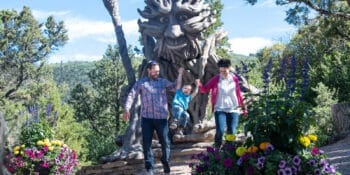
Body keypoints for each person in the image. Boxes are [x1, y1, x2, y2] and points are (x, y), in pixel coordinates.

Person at [122, 60, 181, 175]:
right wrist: (126, 109)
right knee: (147, 144)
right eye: (155, 71)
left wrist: (180, 74)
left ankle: (165, 161)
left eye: (158, 71)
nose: (157, 73)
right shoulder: (142, 83)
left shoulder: (162, 82)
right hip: (147, 119)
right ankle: (149, 168)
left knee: (165, 142)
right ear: (149, 70)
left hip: (161, 119)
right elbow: (132, 94)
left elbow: (175, 87)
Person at [197, 59, 247, 148]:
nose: (222, 73)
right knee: (220, 130)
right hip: (220, 108)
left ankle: (229, 151)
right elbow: (205, 89)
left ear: (229, 68)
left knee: (231, 131)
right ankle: (216, 150)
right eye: (221, 71)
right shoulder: (216, 78)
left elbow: (238, 94)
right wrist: (199, 84)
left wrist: (244, 108)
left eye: (224, 71)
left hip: (233, 109)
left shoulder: (234, 79)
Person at [169, 69, 199, 135]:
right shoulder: (178, 92)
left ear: (190, 92)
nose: (186, 90)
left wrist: (197, 85)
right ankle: (175, 121)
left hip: (182, 111)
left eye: (188, 90)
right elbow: (179, 82)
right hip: (176, 107)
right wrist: (180, 73)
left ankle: (180, 128)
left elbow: (195, 92)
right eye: (185, 88)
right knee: (179, 109)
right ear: (182, 89)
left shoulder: (188, 97)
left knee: (187, 115)